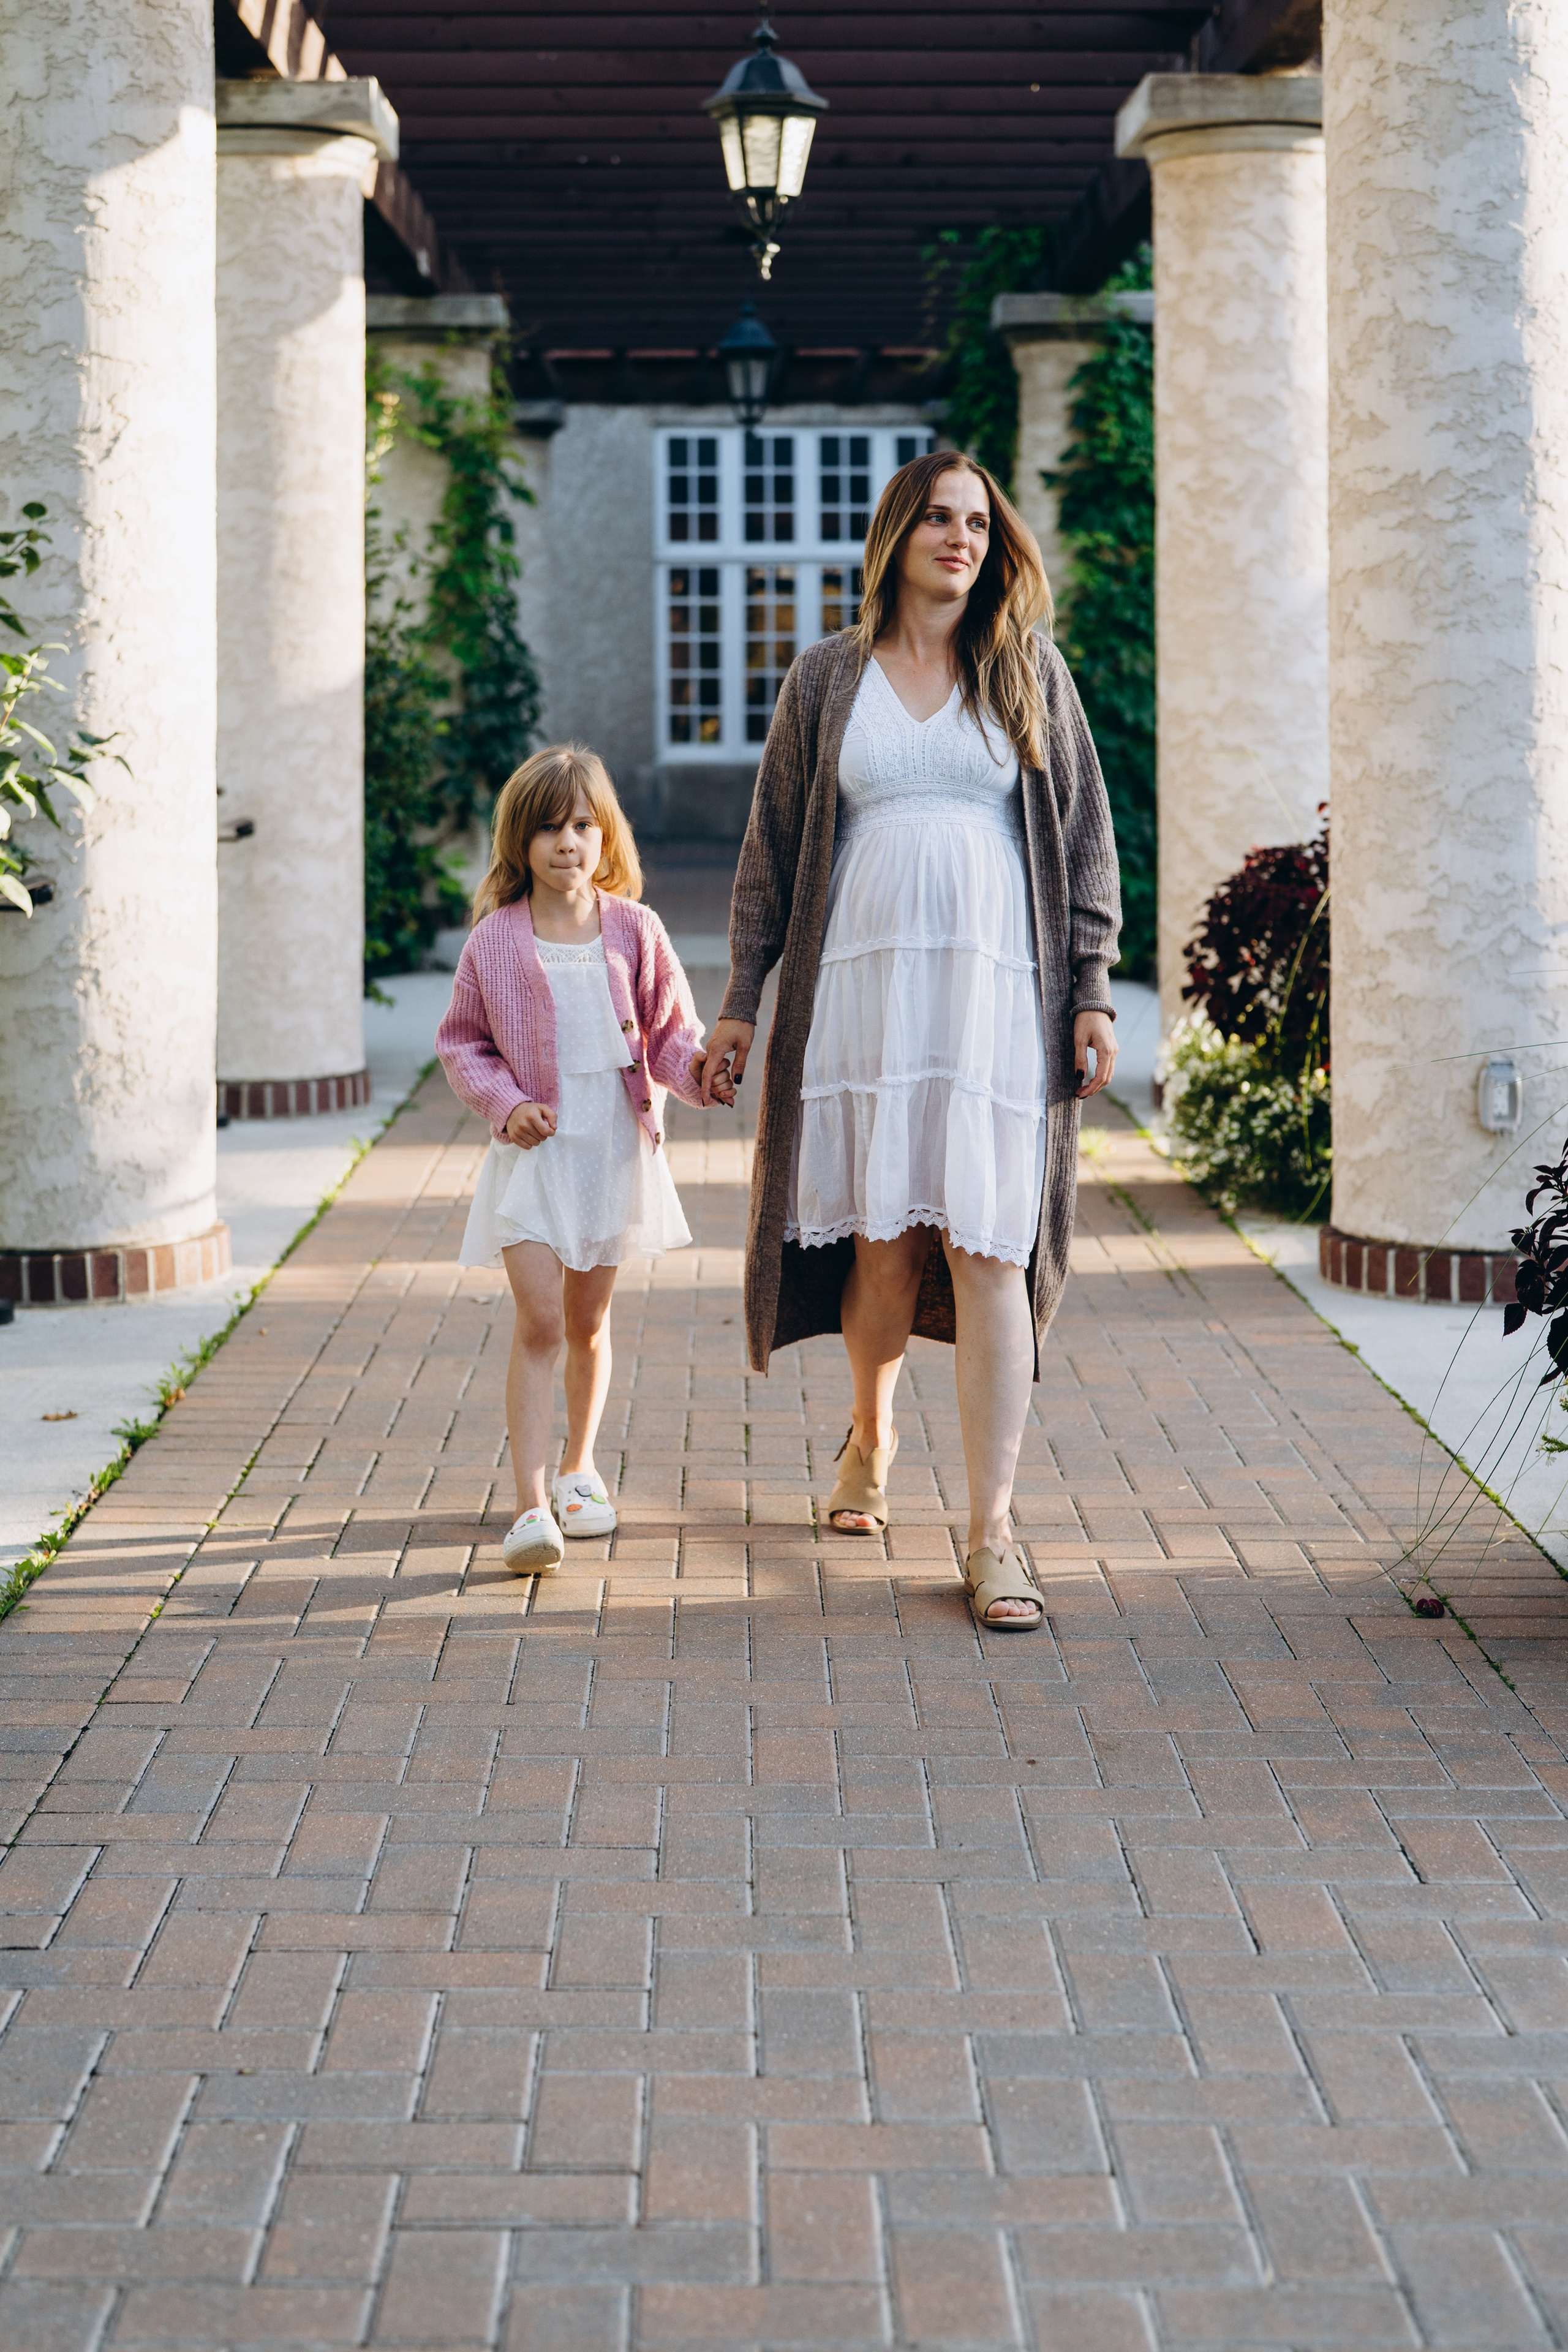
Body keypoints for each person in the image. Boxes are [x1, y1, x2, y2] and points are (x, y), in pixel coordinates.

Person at [696, 452, 1120, 1631]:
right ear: (896, 535)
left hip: (995, 1000)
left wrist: (1089, 987)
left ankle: (992, 1532)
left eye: (978, 522)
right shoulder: (828, 677)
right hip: (863, 1002)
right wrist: (741, 998)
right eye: (937, 518)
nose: (960, 538)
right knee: (882, 1249)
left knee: (992, 1244)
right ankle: (872, 1433)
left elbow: (1084, 837)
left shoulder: (1027, 672)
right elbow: (771, 851)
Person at [438, 744, 731, 1575]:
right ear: (519, 843)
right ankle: (531, 1506)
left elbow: (674, 1037)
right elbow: (461, 1045)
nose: (567, 843)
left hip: (611, 1147)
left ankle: (579, 1469)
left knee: (589, 1322)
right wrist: (506, 1103)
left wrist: (704, 1075)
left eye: (582, 825)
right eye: (548, 829)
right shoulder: (494, 941)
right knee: (538, 1322)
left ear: (605, 836)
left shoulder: (637, 930)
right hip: (534, 1156)